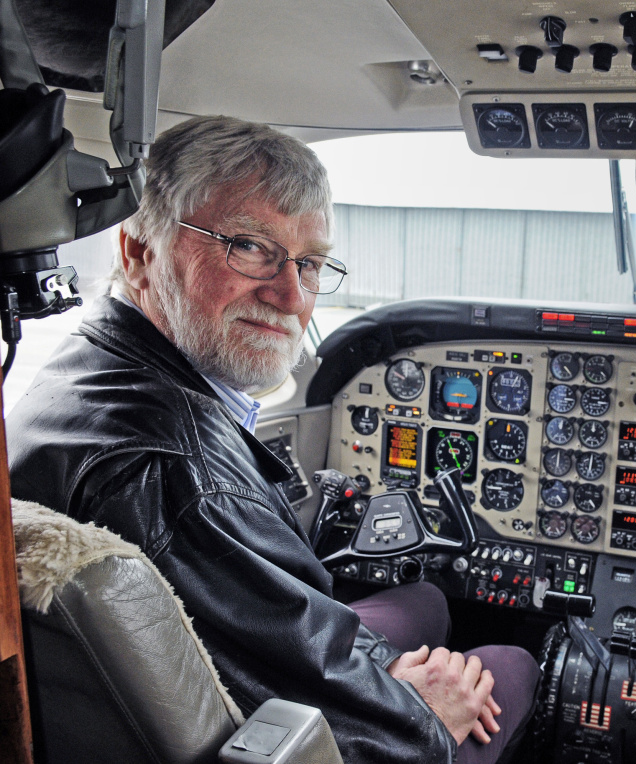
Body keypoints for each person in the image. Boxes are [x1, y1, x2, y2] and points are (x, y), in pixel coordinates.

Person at [8, 115, 539, 764]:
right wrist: (416, 708)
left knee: (425, 600)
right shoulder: (181, 478)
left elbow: (272, 632)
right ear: (138, 252)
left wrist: (373, 680)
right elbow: (375, 735)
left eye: (309, 262)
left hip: (173, 680)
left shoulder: (85, 367)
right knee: (507, 663)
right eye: (250, 245)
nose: (290, 294)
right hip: (249, 733)